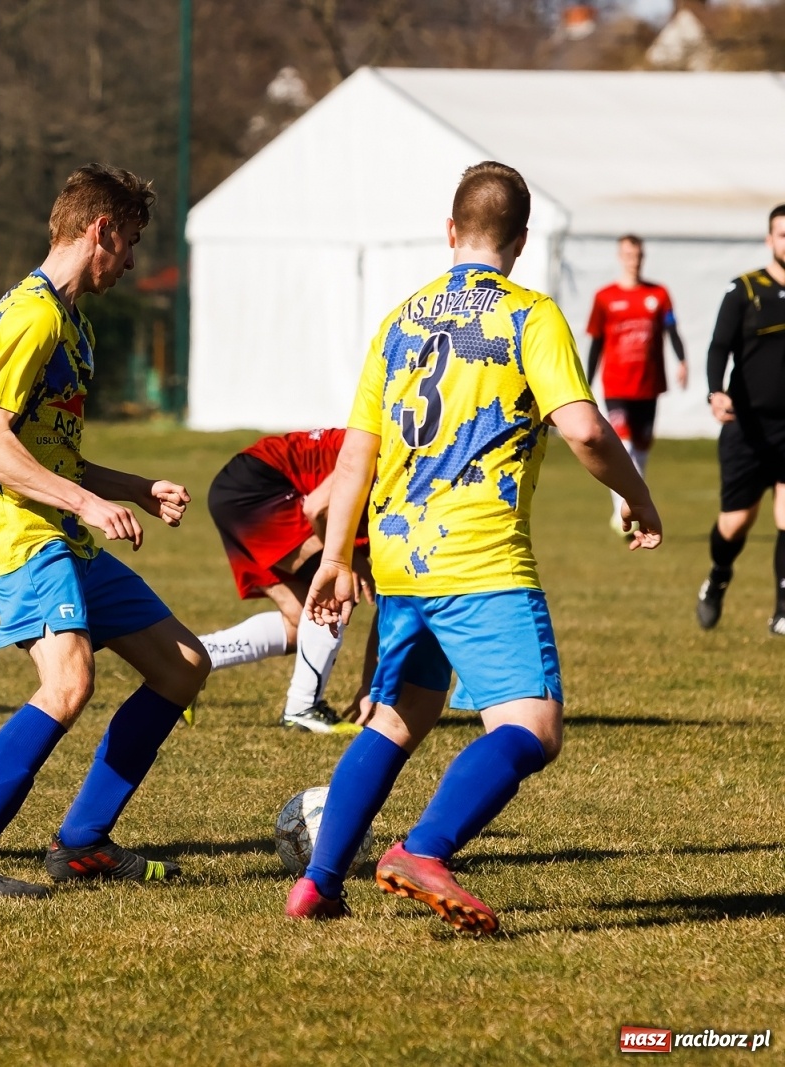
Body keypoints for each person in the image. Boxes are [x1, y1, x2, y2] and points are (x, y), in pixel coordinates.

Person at [286, 161, 662, 934]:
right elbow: (586, 427)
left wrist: (333, 555)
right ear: (519, 242)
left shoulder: (398, 321)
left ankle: (318, 881)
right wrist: (638, 493)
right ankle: (423, 850)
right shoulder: (530, 315)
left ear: (450, 232)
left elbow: (356, 452)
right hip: (479, 558)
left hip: (396, 554)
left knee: (398, 714)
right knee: (532, 725)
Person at [0, 164, 210, 900]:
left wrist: (135, 489)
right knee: (69, 681)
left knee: (181, 665)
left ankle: (81, 841)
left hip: (62, 526)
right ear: (99, 231)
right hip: (20, 531)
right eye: (132, 242)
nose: (134, 261)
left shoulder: (70, 321)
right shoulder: (32, 316)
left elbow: (53, 449)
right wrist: (82, 503)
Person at [196, 428, 374, 734]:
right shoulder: (388, 451)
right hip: (260, 487)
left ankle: (194, 657)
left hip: (243, 483)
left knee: (299, 623)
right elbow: (318, 507)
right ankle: (302, 708)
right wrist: (349, 560)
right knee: (331, 594)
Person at [696, 204, 785, 636]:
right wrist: (716, 392)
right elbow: (718, 347)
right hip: (747, 429)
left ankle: (783, 610)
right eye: (782, 234)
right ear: (770, 239)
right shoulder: (745, 290)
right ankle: (718, 576)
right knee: (736, 523)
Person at [585, 235, 686, 530]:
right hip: (617, 385)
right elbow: (596, 343)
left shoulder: (659, 294)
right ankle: (621, 512)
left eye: (638, 255)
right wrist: (587, 381)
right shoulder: (605, 297)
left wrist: (682, 360)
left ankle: (632, 503)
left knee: (641, 450)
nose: (634, 260)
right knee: (624, 447)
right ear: (620, 256)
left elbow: (672, 330)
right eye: (629, 254)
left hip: (648, 385)